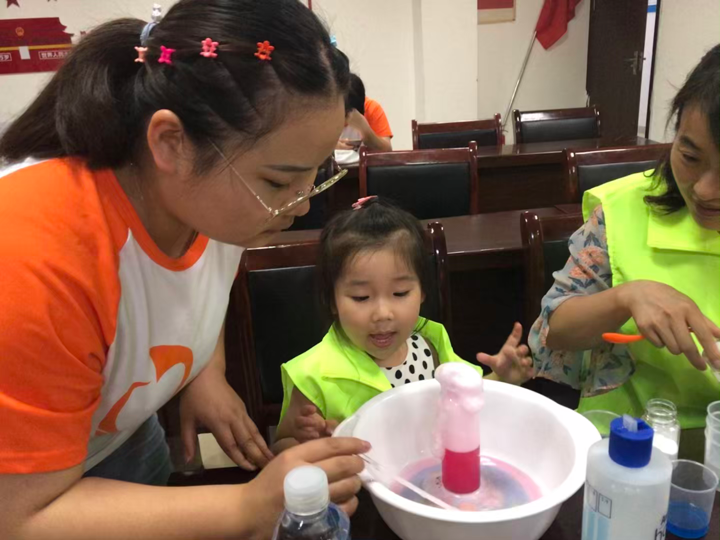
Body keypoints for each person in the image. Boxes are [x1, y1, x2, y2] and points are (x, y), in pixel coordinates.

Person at [0, 1, 369, 538]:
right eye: (277, 181)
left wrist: (204, 371)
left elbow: (193, 286)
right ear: (171, 143)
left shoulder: (216, 203)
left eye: (315, 174)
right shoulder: (34, 257)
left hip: (116, 436)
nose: (302, 203)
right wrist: (247, 506)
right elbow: (19, 517)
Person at [528, 45, 720, 429]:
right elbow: (554, 330)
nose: (704, 190)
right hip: (626, 436)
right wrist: (626, 297)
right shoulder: (623, 209)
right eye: (690, 157)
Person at [273, 197, 533, 450]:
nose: (383, 313)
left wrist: (501, 377)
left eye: (400, 293)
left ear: (422, 291)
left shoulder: (431, 344)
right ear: (332, 300)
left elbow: (466, 399)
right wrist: (310, 443)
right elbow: (282, 446)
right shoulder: (312, 375)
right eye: (361, 297)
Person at [337, 73, 393, 152]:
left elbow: (387, 151)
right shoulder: (327, 109)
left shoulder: (372, 108)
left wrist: (365, 130)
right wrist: (332, 146)